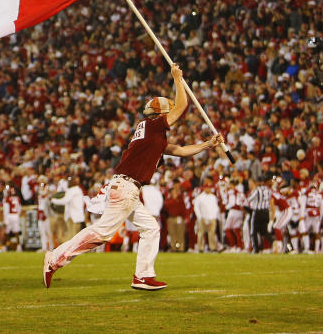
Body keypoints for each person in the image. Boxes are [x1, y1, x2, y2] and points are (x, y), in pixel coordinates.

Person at [43, 64, 224, 291]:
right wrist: (178, 79)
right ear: (160, 114)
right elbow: (182, 106)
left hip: (127, 187)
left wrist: (208, 144)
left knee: (150, 228)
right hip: (126, 187)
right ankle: (55, 258)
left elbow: (179, 150)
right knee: (102, 233)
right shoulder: (153, 126)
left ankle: (143, 276)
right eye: (167, 112)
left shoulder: (152, 134)